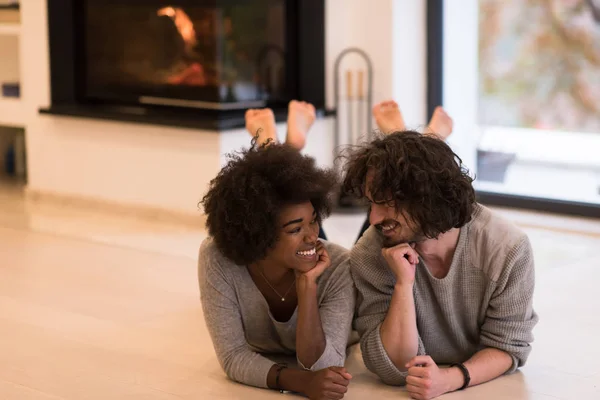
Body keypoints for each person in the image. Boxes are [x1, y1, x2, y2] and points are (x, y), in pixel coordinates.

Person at [342, 104, 539, 400]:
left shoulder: (506, 248)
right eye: (371, 204)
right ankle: (425, 136)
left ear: (425, 199)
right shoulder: (371, 253)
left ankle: (425, 137)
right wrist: (403, 284)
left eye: (385, 203)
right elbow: (394, 367)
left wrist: (450, 378)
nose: (373, 219)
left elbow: (508, 347)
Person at [198, 101, 355, 400]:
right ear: (257, 234)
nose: (312, 237)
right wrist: (298, 382)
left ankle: (275, 144)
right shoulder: (216, 256)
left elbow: (325, 365)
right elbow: (232, 357)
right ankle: (278, 146)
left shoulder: (338, 264)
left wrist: (307, 285)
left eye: (315, 221)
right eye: (296, 230)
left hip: (335, 270)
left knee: (367, 241)